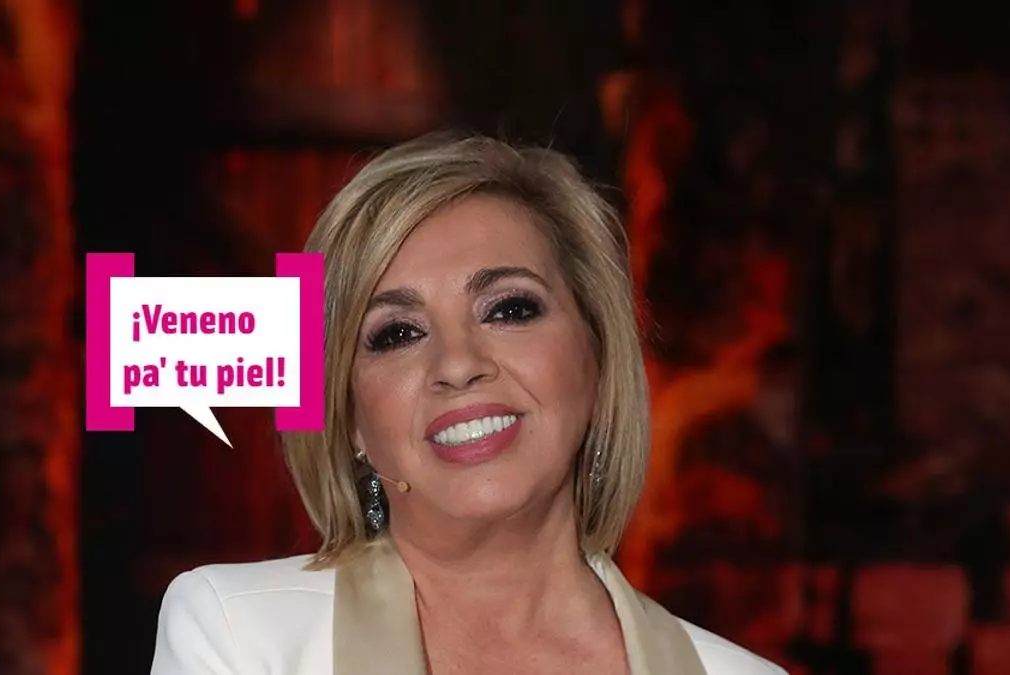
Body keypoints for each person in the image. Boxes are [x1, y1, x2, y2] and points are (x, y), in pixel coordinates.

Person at [149, 133, 787, 675]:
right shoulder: (237, 636)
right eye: (396, 334)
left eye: (509, 309)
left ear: (595, 361)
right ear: (350, 422)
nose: (457, 364)